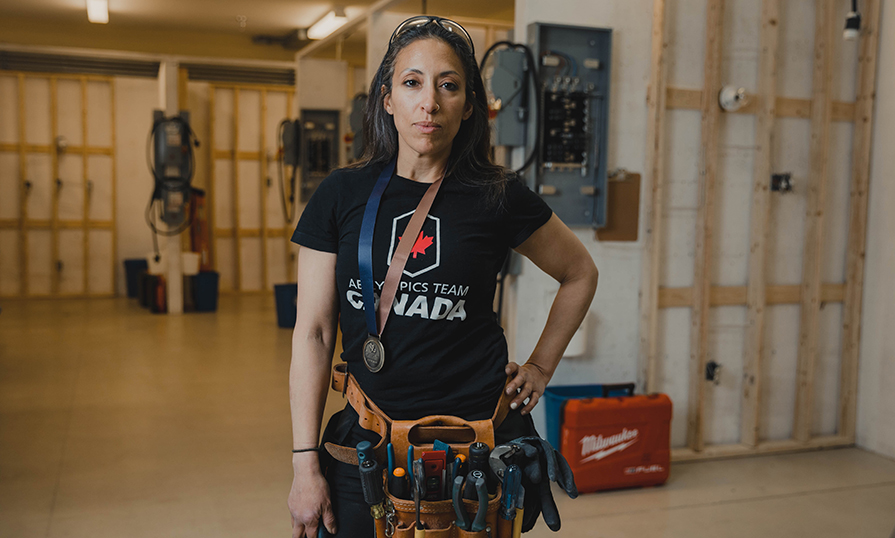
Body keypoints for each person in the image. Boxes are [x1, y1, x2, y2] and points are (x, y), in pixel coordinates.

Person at [287, 16, 598, 538]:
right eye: (412, 83)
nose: (429, 102)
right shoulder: (340, 195)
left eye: (448, 85)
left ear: (469, 105)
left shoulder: (497, 195)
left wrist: (542, 365)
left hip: (478, 449)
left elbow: (579, 272)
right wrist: (303, 464)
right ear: (387, 99)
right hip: (368, 442)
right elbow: (314, 333)